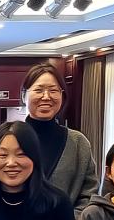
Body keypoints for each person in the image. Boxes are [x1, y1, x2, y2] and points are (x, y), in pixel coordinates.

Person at [21, 61, 99, 203]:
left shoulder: (78, 143)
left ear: (62, 95)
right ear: (24, 95)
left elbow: (89, 193)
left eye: (53, 90)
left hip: (70, 218)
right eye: (38, 90)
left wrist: (69, 217)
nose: (46, 97)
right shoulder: (9, 139)